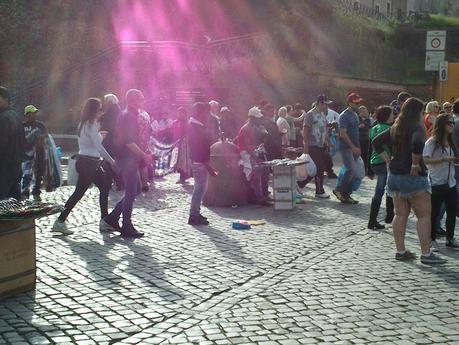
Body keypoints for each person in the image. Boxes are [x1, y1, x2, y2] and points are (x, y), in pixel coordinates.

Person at [373, 97, 446, 264]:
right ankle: (426, 254)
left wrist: (387, 160)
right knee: (424, 216)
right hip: (413, 177)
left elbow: (376, 141)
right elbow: (417, 144)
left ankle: (400, 251)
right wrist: (414, 164)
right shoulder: (417, 128)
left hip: (395, 176)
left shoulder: (395, 127)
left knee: (400, 214)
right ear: (417, 112)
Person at [53, 98, 116, 235]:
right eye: (100, 109)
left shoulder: (86, 124)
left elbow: (92, 141)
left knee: (104, 187)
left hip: (89, 162)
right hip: (88, 163)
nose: (102, 111)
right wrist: (112, 161)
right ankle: (60, 221)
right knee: (79, 193)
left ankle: (104, 220)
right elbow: (98, 146)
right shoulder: (89, 124)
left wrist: (100, 135)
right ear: (93, 110)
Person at [103, 89, 153, 238]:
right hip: (128, 158)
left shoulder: (131, 115)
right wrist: (144, 155)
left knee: (136, 189)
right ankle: (126, 225)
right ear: (133, 100)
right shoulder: (128, 116)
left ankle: (112, 218)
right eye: (141, 99)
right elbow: (129, 141)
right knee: (132, 192)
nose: (143, 101)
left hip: (130, 158)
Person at [423, 113, 459, 250]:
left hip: (450, 182)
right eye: (449, 123)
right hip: (436, 183)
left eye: (453, 123)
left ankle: (450, 238)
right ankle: (431, 239)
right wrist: (443, 159)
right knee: (434, 213)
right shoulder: (432, 142)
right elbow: (425, 160)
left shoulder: (450, 141)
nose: (452, 125)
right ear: (442, 125)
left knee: (452, 212)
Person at [187, 102, 218, 225]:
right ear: (200, 113)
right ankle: (193, 215)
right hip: (200, 162)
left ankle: (196, 212)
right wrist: (207, 165)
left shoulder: (197, 125)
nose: (208, 116)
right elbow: (198, 148)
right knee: (199, 189)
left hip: (200, 161)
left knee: (200, 188)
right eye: (206, 113)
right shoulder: (195, 127)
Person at [299, 95, 331, 199]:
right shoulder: (310, 114)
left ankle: (300, 185)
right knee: (318, 168)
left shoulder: (322, 114)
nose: (327, 106)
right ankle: (318, 190)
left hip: (321, 145)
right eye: (326, 104)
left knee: (315, 169)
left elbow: (324, 128)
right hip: (312, 146)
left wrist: (327, 140)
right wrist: (306, 145)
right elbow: (305, 130)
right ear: (320, 103)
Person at [333, 92, 363, 204]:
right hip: (346, 147)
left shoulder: (355, 114)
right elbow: (343, 134)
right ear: (349, 103)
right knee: (351, 169)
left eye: (359, 102)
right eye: (356, 103)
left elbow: (355, 132)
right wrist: (353, 147)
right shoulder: (344, 116)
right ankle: (339, 190)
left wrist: (358, 147)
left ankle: (346, 194)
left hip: (355, 147)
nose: (358, 105)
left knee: (352, 171)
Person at [236, 107, 271, 206]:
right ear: (252, 118)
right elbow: (246, 146)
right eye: (257, 118)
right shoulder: (246, 128)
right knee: (257, 171)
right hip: (245, 153)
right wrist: (255, 157)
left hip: (251, 152)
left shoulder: (253, 127)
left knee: (265, 170)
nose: (259, 120)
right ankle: (260, 199)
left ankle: (264, 195)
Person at [367, 106, 394, 230]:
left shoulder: (373, 128)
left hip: (374, 162)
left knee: (379, 191)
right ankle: (389, 217)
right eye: (392, 114)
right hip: (384, 163)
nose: (394, 116)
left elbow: (369, 148)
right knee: (386, 191)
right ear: (387, 116)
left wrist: (368, 169)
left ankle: (372, 221)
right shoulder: (390, 129)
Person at [0, 86, 25, 200]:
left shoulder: (4, 117)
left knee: (3, 201)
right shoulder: (16, 114)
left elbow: (2, 144)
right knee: (14, 201)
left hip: (5, 166)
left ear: (4, 99)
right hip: (16, 165)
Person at [20, 105, 47, 201]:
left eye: (35, 113)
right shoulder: (22, 126)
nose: (34, 115)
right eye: (32, 113)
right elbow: (19, 139)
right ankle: (25, 190)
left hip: (39, 151)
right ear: (27, 114)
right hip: (26, 153)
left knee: (39, 170)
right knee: (27, 172)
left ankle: (36, 189)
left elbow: (45, 135)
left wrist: (41, 137)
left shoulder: (40, 125)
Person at [100, 94, 122, 191]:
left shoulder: (110, 111)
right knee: (113, 160)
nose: (105, 102)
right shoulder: (119, 110)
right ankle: (118, 181)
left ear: (109, 101)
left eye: (105, 100)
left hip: (109, 138)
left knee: (108, 161)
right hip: (117, 138)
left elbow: (105, 123)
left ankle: (110, 181)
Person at [175, 107, 191, 183]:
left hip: (184, 142)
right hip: (182, 141)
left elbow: (184, 132)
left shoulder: (185, 121)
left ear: (184, 113)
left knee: (183, 160)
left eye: (180, 113)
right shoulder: (180, 121)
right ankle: (183, 176)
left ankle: (183, 177)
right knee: (182, 160)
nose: (179, 114)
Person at [358, 105, 372, 174]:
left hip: (366, 139)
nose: (365, 113)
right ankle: (359, 169)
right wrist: (360, 125)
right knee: (359, 154)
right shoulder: (357, 119)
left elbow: (368, 125)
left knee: (366, 154)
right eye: (363, 112)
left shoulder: (368, 120)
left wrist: (363, 124)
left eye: (366, 112)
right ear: (360, 112)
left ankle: (365, 169)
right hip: (358, 139)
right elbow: (357, 126)